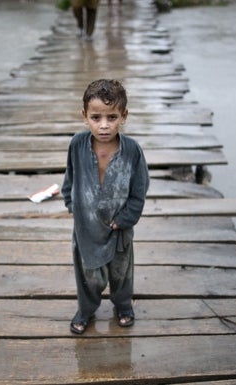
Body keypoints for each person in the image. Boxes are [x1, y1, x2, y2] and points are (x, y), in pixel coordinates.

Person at [61, 79, 150, 334]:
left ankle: (123, 306)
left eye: (112, 117)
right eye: (96, 117)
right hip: (86, 229)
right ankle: (86, 310)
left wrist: (125, 218)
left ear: (124, 116)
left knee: (121, 272)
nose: (103, 125)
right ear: (84, 116)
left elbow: (139, 189)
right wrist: (71, 203)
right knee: (88, 274)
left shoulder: (132, 150)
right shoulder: (77, 145)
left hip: (119, 229)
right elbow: (69, 178)